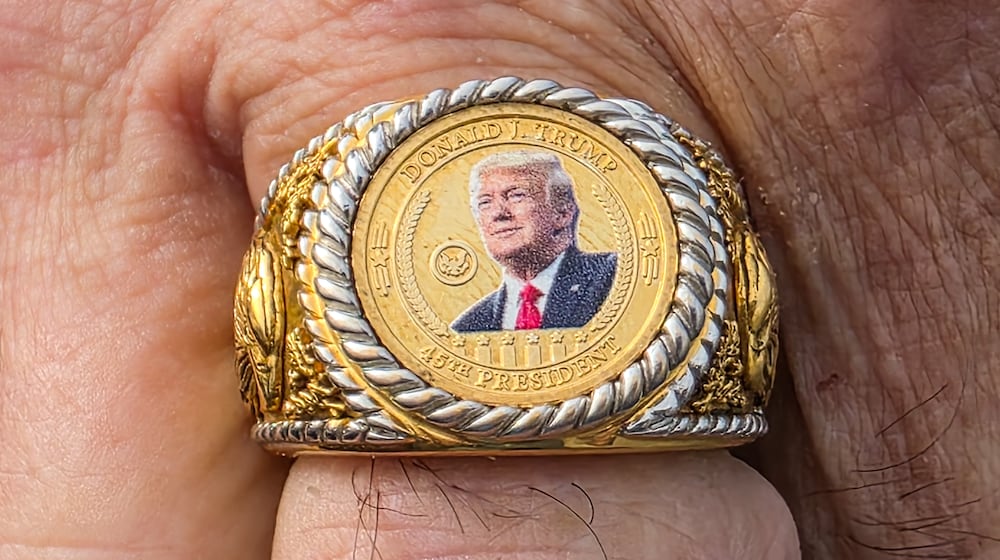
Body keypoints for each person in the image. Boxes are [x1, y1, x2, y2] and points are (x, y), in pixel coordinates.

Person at [3, 2, 995, 559]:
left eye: (519, 198)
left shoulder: (615, 282)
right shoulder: (480, 313)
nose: (498, 217)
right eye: (484, 205)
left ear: (569, 212)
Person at [450, 151, 617, 332]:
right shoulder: (468, 328)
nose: (498, 213)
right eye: (485, 202)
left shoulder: (616, 278)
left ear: (562, 213)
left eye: (516, 195)